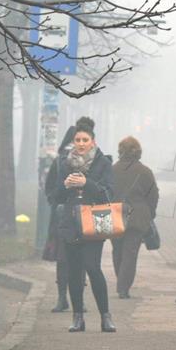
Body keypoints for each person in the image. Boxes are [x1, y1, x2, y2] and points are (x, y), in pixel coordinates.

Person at [50, 117, 116, 333]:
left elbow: (109, 194)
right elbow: (56, 196)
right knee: (73, 270)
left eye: (85, 140)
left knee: (92, 267)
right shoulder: (64, 162)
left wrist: (87, 184)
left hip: (94, 221)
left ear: (93, 142)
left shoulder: (103, 163)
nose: (80, 143)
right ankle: (77, 317)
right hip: (70, 221)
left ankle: (105, 316)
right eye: (77, 139)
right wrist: (65, 185)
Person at [111, 136, 159, 299]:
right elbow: (153, 195)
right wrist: (150, 213)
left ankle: (121, 281)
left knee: (117, 251)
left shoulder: (112, 170)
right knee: (130, 253)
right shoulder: (145, 172)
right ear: (138, 151)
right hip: (137, 217)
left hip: (115, 215)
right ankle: (123, 287)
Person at [43, 125, 76, 313]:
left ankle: (63, 297)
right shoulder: (60, 162)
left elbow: (48, 189)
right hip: (68, 216)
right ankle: (65, 297)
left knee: (64, 259)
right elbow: (50, 188)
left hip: (63, 215)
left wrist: (54, 201)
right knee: (73, 260)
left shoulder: (58, 161)